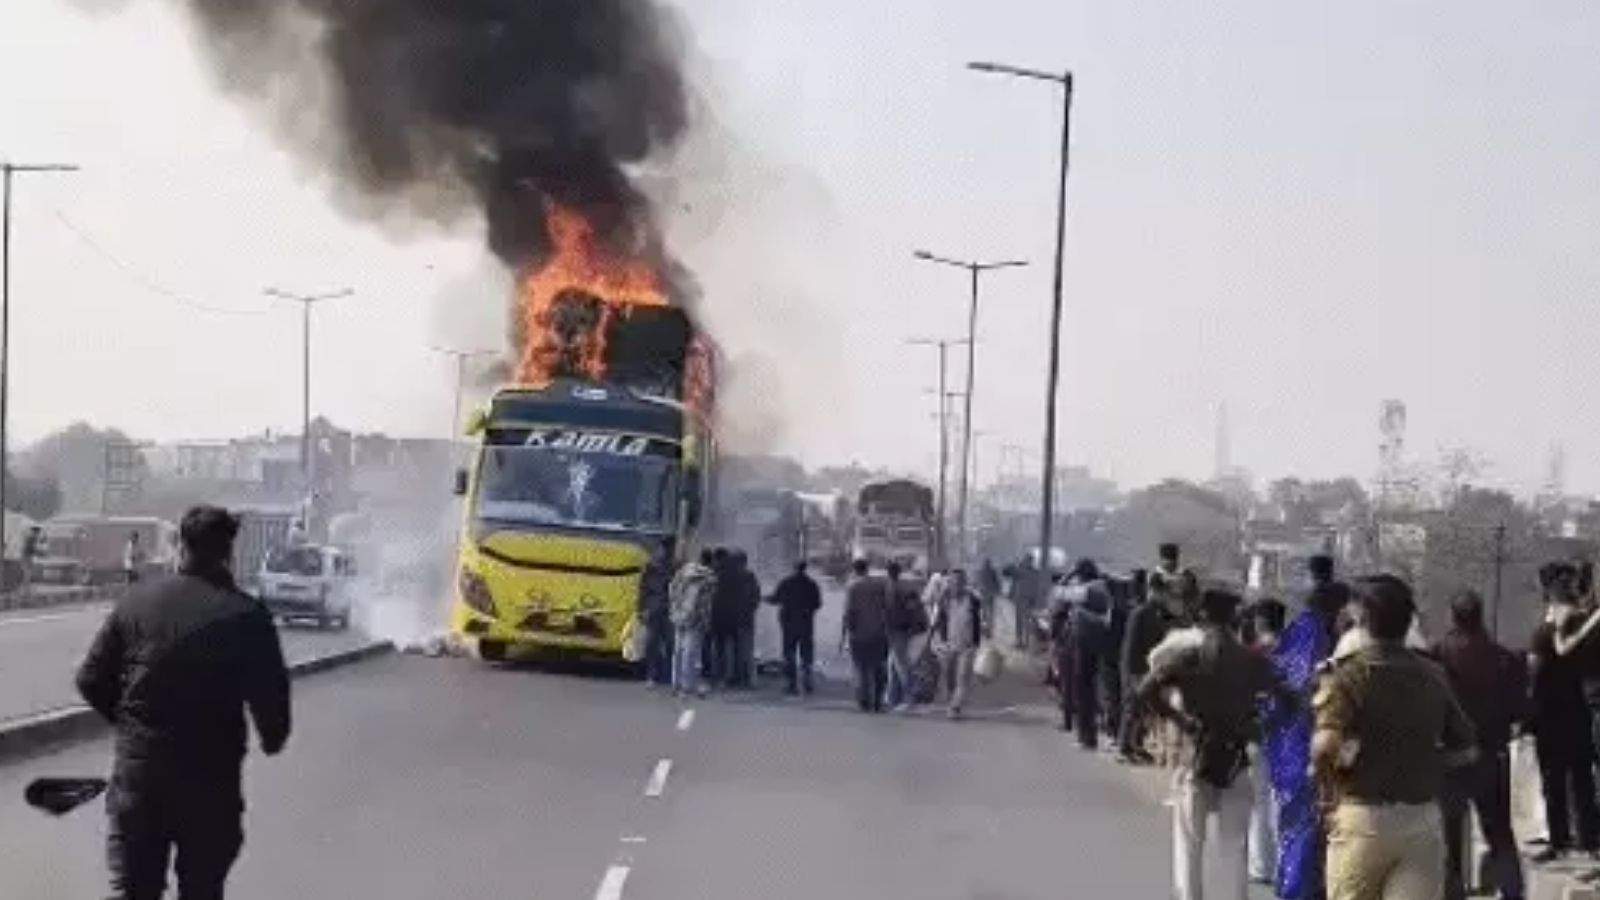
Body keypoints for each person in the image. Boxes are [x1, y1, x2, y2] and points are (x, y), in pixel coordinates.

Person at [75, 505, 291, 900]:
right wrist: (272, 736)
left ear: (180, 546)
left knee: (135, 890)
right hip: (210, 784)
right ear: (229, 552)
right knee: (202, 888)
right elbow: (272, 707)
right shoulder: (247, 615)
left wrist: (131, 724)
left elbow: (90, 679)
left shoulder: (137, 601)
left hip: (140, 780)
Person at [1313, 574, 1476, 900]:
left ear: (1362, 619)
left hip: (1363, 816)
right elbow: (1466, 749)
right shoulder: (1434, 675)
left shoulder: (1347, 675)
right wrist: (1424, 761)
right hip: (1421, 818)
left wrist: (1328, 793)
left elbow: (1325, 746)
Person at [1140, 585, 1292, 900]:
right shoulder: (1250, 660)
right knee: (1234, 848)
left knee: (1189, 845)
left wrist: (1182, 721)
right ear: (1234, 617)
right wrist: (1259, 728)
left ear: (1202, 615)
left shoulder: (1189, 656)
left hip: (1195, 753)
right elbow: (1290, 701)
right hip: (1236, 756)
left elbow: (1146, 691)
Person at [1432, 590, 1527, 900]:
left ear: (1452, 617)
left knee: (1450, 836)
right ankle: (1512, 892)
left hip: (1451, 758)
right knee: (1499, 832)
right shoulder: (1505, 659)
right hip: (1492, 756)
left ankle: (1453, 893)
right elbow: (1520, 710)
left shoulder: (1437, 657)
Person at [1264, 554, 1346, 900]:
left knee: (1302, 823)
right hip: (1305, 742)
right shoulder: (1317, 635)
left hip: (1300, 742)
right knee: (1306, 822)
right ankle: (1300, 887)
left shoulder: (1303, 632)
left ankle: (1299, 884)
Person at [1527, 561, 1600, 863]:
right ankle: (1589, 839)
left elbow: (1535, 675)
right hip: (1580, 712)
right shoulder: (1587, 628)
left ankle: (1559, 840)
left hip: (1550, 716)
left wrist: (1527, 713)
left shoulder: (1545, 633)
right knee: (1582, 779)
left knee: (1553, 781)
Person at [1119, 564, 1184, 764]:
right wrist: (1133, 673)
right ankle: (1125, 747)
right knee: (1133, 707)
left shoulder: (1157, 613)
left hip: (1147, 667)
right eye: (1162, 592)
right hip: (1136, 668)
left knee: (1143, 709)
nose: (1165, 596)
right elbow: (1131, 647)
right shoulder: (1140, 613)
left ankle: (1136, 744)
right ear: (1153, 591)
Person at [1244, 597, 1287, 887]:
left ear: (1260, 622)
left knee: (1259, 801)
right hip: (1289, 735)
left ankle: (1261, 865)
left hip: (1259, 733)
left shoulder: (1253, 655)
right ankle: (1285, 865)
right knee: (1281, 801)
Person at [934, 567, 986, 720]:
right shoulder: (945, 599)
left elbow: (977, 622)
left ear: (964, 583)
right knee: (948, 677)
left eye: (959, 581)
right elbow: (939, 620)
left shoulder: (973, 600)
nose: (956, 584)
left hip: (967, 645)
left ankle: (955, 707)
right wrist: (940, 639)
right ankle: (951, 699)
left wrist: (977, 642)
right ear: (950, 583)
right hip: (949, 644)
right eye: (953, 581)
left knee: (962, 678)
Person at [842, 559, 890, 713]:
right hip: (879, 633)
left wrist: (845, 635)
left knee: (861, 669)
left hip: (859, 634)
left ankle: (864, 701)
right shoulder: (879, 585)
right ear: (867, 569)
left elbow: (849, 612)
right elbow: (887, 608)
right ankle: (878, 701)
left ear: (854, 570)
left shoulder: (852, 587)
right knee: (879, 668)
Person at [668, 549, 717, 699]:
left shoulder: (682, 572)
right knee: (691, 653)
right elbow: (706, 603)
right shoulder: (709, 578)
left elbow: (671, 590)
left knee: (678, 651)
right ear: (711, 562)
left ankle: (676, 685)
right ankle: (687, 686)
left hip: (679, 615)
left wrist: (674, 608)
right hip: (695, 619)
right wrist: (705, 621)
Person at [768, 561, 822, 695]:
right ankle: (807, 682)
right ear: (805, 568)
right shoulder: (811, 584)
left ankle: (791, 684)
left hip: (788, 623)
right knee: (806, 654)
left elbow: (775, 599)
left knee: (789, 653)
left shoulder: (786, 582)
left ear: (794, 568)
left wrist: (765, 599)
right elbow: (817, 604)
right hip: (806, 623)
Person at [884, 561, 928, 710]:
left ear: (888, 572)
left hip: (897, 630)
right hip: (902, 629)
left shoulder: (891, 588)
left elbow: (893, 611)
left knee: (900, 664)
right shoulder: (904, 587)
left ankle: (910, 695)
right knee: (893, 664)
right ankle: (893, 697)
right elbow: (914, 608)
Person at [638, 542, 675, 689]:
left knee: (670, 643)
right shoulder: (650, 569)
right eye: (659, 550)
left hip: (668, 610)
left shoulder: (673, 568)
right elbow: (643, 590)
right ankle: (651, 675)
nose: (661, 553)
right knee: (652, 644)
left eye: (663, 550)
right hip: (653, 610)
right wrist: (641, 609)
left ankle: (667, 675)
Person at [707, 548, 741, 688]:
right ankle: (730, 676)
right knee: (730, 647)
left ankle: (717, 676)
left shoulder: (713, 574)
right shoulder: (735, 573)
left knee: (717, 647)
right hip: (732, 616)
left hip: (717, 615)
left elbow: (709, 596)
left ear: (717, 559)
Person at [731, 551, 762, 688]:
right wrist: (751, 609)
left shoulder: (731, 577)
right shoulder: (750, 577)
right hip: (747, 618)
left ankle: (737, 677)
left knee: (734, 649)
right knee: (747, 649)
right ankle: (749, 679)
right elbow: (756, 597)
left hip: (733, 618)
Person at [977, 558, 1002, 626]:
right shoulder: (992, 571)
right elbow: (996, 581)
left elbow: (978, 581)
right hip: (990, 592)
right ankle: (990, 620)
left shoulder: (981, 572)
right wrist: (998, 590)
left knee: (984, 607)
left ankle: (984, 620)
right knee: (990, 607)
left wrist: (979, 588)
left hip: (984, 592)